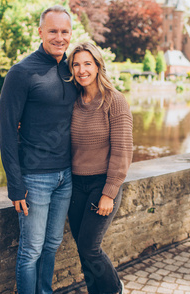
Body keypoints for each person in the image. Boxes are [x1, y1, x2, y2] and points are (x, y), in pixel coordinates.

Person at [0, 5, 77, 294]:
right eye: (53, 31)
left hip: (65, 176)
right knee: (31, 249)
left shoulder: (73, 70)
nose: (59, 37)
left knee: (53, 244)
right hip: (34, 178)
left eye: (64, 31)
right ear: (40, 32)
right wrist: (15, 185)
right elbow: (6, 130)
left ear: (71, 34)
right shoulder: (21, 73)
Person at [67, 42, 133, 294]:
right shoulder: (72, 101)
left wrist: (109, 192)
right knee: (81, 247)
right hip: (75, 186)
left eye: (87, 64)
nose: (82, 70)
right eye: (76, 64)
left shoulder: (114, 101)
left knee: (89, 248)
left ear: (97, 66)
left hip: (101, 185)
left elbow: (123, 149)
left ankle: (115, 289)